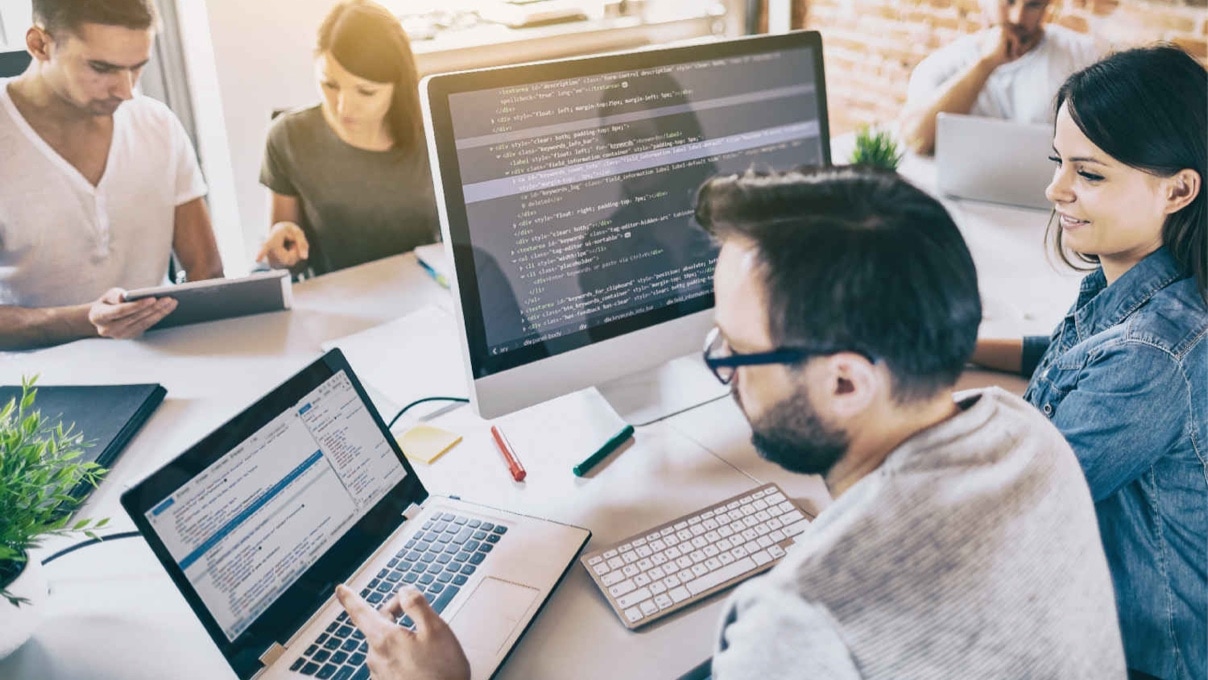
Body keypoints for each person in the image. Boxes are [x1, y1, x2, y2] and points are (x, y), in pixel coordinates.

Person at [333, 166, 1126, 679]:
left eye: (735, 353)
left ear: (846, 380)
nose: (719, 370)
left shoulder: (799, 623)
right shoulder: (1030, 437)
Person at [973, 44, 1207, 680]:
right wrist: (956, 345)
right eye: (1059, 162)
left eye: (1090, 174)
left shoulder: (1152, 356)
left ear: (1179, 189)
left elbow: (1004, 510)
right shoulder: (1159, 285)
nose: (1055, 190)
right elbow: (1068, 355)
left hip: (1146, 662)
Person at [0, 0, 224, 350]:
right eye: (101, 67)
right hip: (38, 385)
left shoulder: (157, 123)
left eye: (136, 68)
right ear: (39, 45)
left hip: (164, 356)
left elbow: (206, 273)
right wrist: (86, 320)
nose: (126, 90)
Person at [257, 0, 439, 278]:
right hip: (339, 305)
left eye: (366, 92)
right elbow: (288, 262)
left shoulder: (435, 132)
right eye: (329, 84)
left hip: (429, 293)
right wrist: (280, 252)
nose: (343, 107)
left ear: (398, 85)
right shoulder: (288, 137)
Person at [899, 0, 1100, 155]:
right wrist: (987, 63)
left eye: (1033, 5)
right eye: (1009, 1)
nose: (1017, 18)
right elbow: (916, 139)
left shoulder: (1082, 54)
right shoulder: (942, 64)